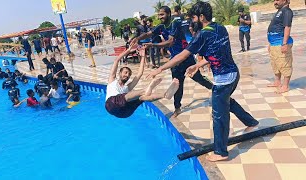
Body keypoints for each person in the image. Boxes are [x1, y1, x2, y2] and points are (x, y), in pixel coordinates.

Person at [146, 1, 259, 162]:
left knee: (219, 115)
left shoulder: (202, 34)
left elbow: (182, 56)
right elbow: (216, 53)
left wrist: (160, 69)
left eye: (193, 18)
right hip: (234, 74)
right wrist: (198, 64)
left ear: (201, 17)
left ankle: (221, 152)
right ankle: (250, 121)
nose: (191, 21)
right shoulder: (220, 27)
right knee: (225, 101)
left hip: (224, 79)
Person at [131, 5, 213, 117]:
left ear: (168, 14)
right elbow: (148, 34)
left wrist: (152, 44)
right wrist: (137, 39)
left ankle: (215, 89)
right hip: (174, 61)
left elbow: (170, 42)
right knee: (176, 83)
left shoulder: (175, 23)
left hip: (185, 57)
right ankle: (177, 108)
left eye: (162, 14)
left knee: (198, 78)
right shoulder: (161, 26)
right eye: (159, 15)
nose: (160, 17)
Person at [105, 46, 179, 118]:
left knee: (141, 98)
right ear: (119, 73)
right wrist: (128, 50)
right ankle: (145, 90)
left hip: (124, 112)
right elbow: (116, 60)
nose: (127, 75)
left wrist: (143, 57)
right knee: (125, 96)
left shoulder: (127, 87)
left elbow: (139, 74)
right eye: (125, 72)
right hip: (111, 105)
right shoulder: (112, 81)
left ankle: (165, 95)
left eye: (129, 74)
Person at [267, 0, 294, 93]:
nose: (275, 2)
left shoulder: (287, 11)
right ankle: (277, 82)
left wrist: (284, 43)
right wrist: (270, 43)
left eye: (278, 0)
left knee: (284, 64)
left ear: (285, 0)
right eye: (274, 0)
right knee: (275, 64)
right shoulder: (280, 11)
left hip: (281, 43)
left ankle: (285, 86)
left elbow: (287, 27)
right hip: (274, 43)